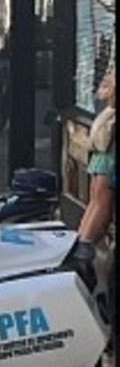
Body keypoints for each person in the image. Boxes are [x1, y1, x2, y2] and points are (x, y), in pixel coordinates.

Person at [77, 60, 115, 251]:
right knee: (100, 205)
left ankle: (81, 241)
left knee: (95, 203)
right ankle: (84, 246)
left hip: (101, 157)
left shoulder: (108, 110)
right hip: (109, 158)